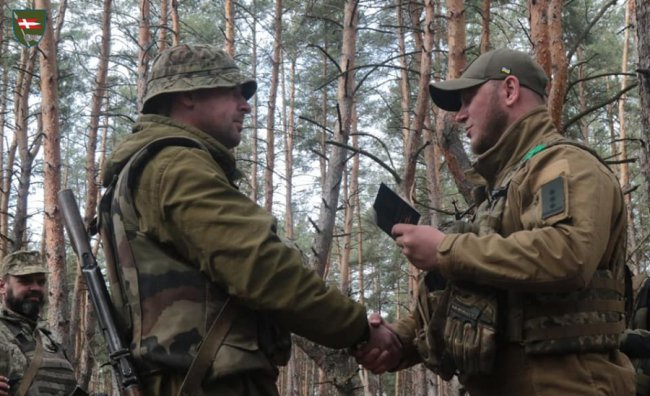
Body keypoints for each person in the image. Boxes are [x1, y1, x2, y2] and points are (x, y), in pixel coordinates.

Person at [98, 43, 401, 396]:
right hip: (207, 384)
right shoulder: (176, 165)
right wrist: (359, 329)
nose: (245, 105)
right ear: (189, 96)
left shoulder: (153, 167)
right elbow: (262, 268)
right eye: (232, 92)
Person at [355, 48, 636, 395]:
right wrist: (397, 340)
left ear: (510, 90)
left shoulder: (565, 166)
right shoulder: (501, 190)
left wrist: (446, 250)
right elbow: (472, 299)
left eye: (468, 99)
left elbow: (567, 254)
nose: (459, 116)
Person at [0, 250, 82, 396]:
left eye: (41, 282)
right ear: (2, 287)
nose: (36, 288)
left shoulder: (49, 340)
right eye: (25, 281)